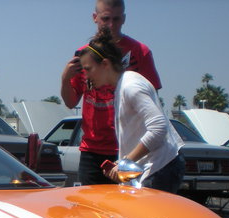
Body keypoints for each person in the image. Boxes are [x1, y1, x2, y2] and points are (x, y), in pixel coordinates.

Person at [61, 0, 162, 186]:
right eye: (105, 19)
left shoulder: (140, 52)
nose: (111, 25)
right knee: (91, 202)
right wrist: (65, 78)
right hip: (92, 150)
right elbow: (70, 102)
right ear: (95, 18)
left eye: (116, 19)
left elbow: (153, 101)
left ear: (124, 19)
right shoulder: (84, 55)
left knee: (128, 203)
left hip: (129, 148)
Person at [78, 28, 184, 193]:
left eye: (88, 69)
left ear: (105, 64)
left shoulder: (130, 86)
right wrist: (121, 163)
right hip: (156, 169)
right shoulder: (123, 86)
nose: (86, 76)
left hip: (159, 168)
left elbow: (158, 127)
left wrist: (126, 161)